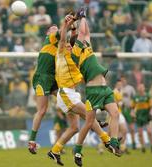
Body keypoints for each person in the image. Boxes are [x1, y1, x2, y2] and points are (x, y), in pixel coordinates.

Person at [47, 14, 113, 166]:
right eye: (68, 45)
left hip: (71, 94)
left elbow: (75, 37)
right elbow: (64, 38)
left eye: (71, 45)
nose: (69, 46)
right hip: (65, 94)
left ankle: (55, 150)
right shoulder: (61, 52)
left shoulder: (75, 59)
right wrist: (67, 24)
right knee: (89, 116)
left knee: (75, 127)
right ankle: (106, 140)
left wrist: (75, 27)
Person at [70, 10, 122, 166]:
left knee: (115, 113)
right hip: (93, 91)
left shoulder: (86, 47)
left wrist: (80, 19)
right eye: (81, 40)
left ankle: (113, 142)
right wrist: (82, 17)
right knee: (88, 123)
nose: (86, 40)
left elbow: (86, 33)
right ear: (75, 45)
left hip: (104, 89)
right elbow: (83, 32)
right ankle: (77, 149)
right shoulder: (76, 53)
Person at [28, 24, 60, 154]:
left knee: (70, 101)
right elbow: (62, 32)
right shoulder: (51, 38)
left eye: (56, 27)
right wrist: (71, 22)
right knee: (42, 111)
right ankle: (31, 141)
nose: (55, 28)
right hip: (42, 78)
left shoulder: (60, 45)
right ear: (48, 32)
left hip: (53, 78)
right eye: (53, 27)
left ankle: (93, 122)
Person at [131, 83, 152, 153]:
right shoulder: (135, 97)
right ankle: (143, 147)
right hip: (139, 116)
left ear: (144, 88)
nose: (141, 88)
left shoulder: (148, 96)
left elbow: (151, 107)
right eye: (139, 87)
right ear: (138, 88)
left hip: (147, 116)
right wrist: (132, 114)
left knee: (149, 132)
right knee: (140, 133)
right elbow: (132, 108)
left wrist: (150, 113)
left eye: (142, 87)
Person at [121, 75, 136, 149]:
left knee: (132, 128)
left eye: (124, 80)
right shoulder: (119, 89)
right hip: (122, 110)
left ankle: (134, 144)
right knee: (123, 129)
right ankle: (123, 145)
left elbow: (134, 99)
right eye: (121, 80)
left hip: (129, 109)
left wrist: (133, 110)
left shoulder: (130, 88)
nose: (123, 81)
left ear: (126, 80)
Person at [113, 80, 128, 153]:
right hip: (114, 113)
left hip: (120, 113)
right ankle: (101, 147)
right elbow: (114, 103)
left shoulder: (121, 92)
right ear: (116, 85)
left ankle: (121, 147)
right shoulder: (114, 92)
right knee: (113, 133)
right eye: (118, 84)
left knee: (123, 130)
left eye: (120, 84)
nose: (119, 85)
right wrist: (120, 104)